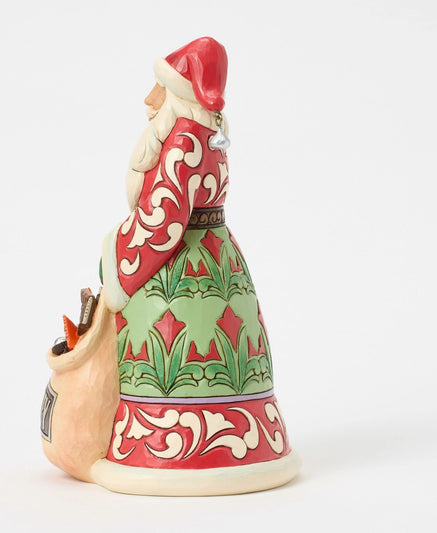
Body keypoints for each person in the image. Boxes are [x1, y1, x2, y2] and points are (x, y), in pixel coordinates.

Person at [92, 37, 300, 495]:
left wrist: (115, 255)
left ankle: (163, 443)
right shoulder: (210, 135)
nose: (149, 99)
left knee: (172, 351)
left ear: (180, 96)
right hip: (218, 255)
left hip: (181, 267)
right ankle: (248, 436)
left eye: (160, 88)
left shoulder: (183, 138)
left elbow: (164, 221)